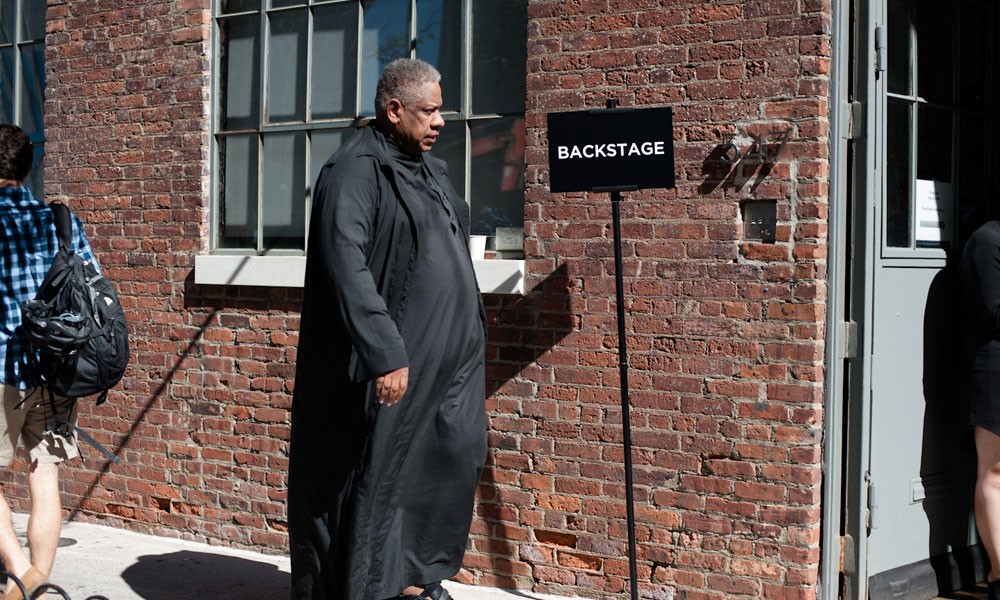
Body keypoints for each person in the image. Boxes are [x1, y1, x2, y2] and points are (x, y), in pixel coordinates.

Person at [289, 58, 488, 600]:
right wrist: (384, 351)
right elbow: (345, 262)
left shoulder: (432, 171)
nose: (441, 121)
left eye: (442, 109)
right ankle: (379, 587)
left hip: (454, 358)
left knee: (454, 456)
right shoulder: (354, 172)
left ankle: (418, 576)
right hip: (400, 355)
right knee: (386, 474)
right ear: (394, 110)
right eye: (430, 110)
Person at [0, 124, 98, 599]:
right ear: (28, 167)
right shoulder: (60, 220)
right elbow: (92, 288)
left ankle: (23, 574)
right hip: (55, 369)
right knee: (45, 474)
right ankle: (35, 580)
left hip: (1, 370)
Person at [962, 216, 1000, 600]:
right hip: (995, 369)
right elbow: (994, 313)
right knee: (994, 471)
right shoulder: (988, 241)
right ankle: (999, 574)